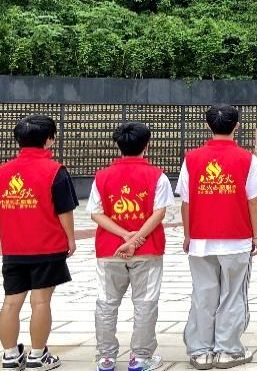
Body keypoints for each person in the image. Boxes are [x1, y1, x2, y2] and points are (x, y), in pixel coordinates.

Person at [177, 105, 257, 369]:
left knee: (203, 293)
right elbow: (254, 201)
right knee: (233, 294)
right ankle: (227, 350)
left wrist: (188, 235)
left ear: (208, 126)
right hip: (236, 239)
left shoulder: (192, 159)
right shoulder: (247, 159)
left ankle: (200, 351)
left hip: (200, 240)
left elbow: (186, 202)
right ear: (237, 126)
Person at [88, 122, 175, 371]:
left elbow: (96, 213)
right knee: (145, 303)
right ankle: (140, 357)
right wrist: (135, 239)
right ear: (147, 145)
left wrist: (125, 236)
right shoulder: (157, 176)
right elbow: (159, 213)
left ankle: (106, 358)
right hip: (147, 250)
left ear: (119, 145)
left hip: (110, 250)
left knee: (106, 303)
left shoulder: (102, 176)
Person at [0, 114, 77, 371]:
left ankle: (10, 356)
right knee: (40, 301)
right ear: (49, 139)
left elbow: (1, 208)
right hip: (46, 246)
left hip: (13, 248)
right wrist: (71, 239)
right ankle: (38, 355)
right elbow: (64, 210)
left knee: (11, 301)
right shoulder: (55, 171)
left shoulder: (3, 172)